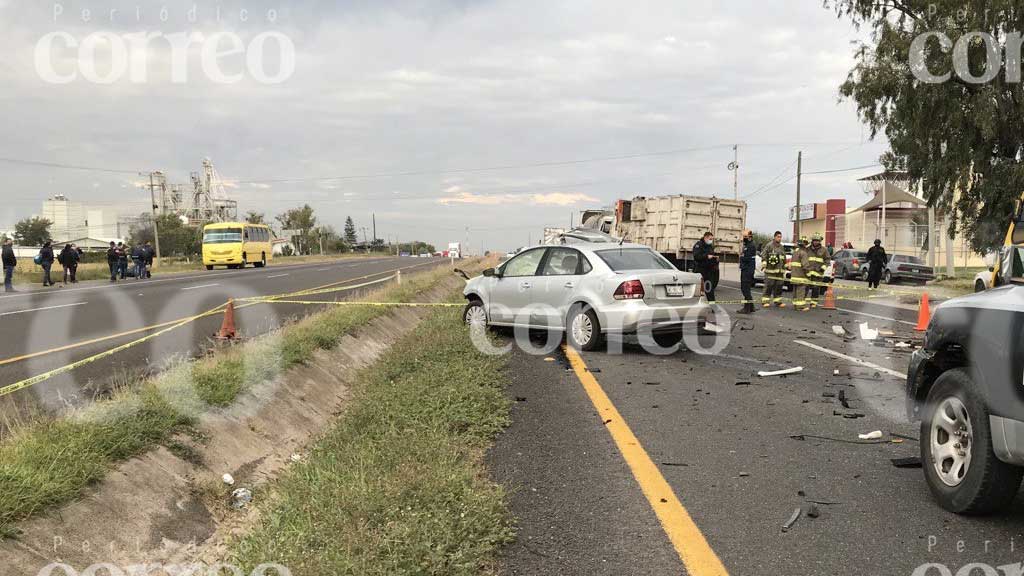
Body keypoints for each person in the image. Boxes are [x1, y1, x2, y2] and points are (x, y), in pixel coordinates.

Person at [760, 231, 787, 307]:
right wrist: (764, 262)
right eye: (778, 237)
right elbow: (764, 255)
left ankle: (778, 302)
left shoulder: (781, 247)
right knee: (768, 286)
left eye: (780, 237)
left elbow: (783, 258)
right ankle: (765, 302)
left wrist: (786, 265)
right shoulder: (769, 245)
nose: (779, 238)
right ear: (774, 237)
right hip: (770, 271)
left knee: (779, 287)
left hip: (779, 272)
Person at [804, 233, 831, 308]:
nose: (816, 242)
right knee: (805, 287)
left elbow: (828, 260)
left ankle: (813, 302)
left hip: (818, 273)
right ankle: (802, 301)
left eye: (817, 240)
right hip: (808, 272)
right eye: (815, 240)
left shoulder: (824, 250)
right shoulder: (807, 249)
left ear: (820, 241)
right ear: (812, 241)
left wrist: (823, 267)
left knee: (816, 288)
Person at [692, 231, 719, 303]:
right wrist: (706, 256)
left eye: (712, 239)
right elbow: (696, 256)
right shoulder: (698, 245)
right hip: (700, 270)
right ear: (705, 238)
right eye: (710, 239)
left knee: (709, 289)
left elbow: (711, 256)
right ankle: (695, 304)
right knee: (697, 289)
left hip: (708, 271)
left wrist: (715, 259)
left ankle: (713, 306)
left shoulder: (710, 246)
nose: (711, 241)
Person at [737, 229, 757, 314]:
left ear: (749, 237)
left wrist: (741, 256)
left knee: (745, 289)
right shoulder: (747, 245)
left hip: (747, 270)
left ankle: (747, 308)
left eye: (744, 237)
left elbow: (746, 258)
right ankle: (751, 307)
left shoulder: (750, 246)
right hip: (746, 269)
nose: (743, 238)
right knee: (746, 288)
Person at [789, 236, 810, 311]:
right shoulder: (803, 253)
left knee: (795, 291)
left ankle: (795, 305)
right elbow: (805, 266)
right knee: (801, 291)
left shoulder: (795, 252)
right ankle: (800, 306)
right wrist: (808, 274)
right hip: (801, 276)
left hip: (794, 275)